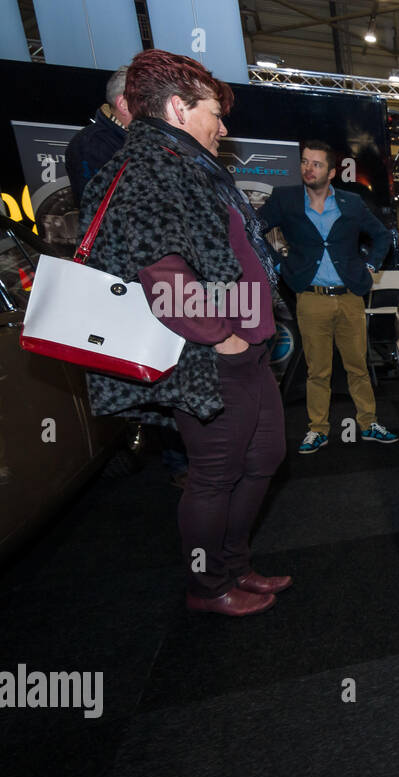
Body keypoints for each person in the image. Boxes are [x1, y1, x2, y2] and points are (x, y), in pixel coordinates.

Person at [79, 49, 289, 616]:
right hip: (213, 355)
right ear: (177, 107)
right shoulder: (152, 165)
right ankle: (207, 586)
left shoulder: (184, 161)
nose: (223, 127)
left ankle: (235, 564)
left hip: (244, 346)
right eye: (214, 113)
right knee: (215, 475)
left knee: (264, 455)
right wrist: (224, 336)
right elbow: (163, 276)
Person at [258, 142, 397, 453]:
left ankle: (369, 422)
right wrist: (278, 265)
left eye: (317, 164)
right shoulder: (286, 199)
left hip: (350, 296)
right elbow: (253, 230)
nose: (309, 168)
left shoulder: (351, 202)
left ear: (332, 172)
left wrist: (371, 265)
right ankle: (317, 429)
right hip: (310, 297)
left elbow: (382, 236)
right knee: (317, 370)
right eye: (305, 162)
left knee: (357, 366)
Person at [66, 66, 132, 205]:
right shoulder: (90, 147)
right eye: (148, 99)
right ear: (123, 104)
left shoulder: (136, 137)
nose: (156, 106)